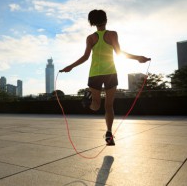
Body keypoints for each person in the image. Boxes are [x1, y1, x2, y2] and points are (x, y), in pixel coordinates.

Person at [60, 9, 151, 146]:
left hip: (95, 74)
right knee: (109, 106)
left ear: (92, 23)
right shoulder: (112, 34)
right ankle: (109, 132)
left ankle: (88, 100)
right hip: (110, 73)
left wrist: (70, 67)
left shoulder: (91, 38)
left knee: (95, 106)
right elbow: (119, 53)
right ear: (106, 20)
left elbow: (85, 57)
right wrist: (138, 58)